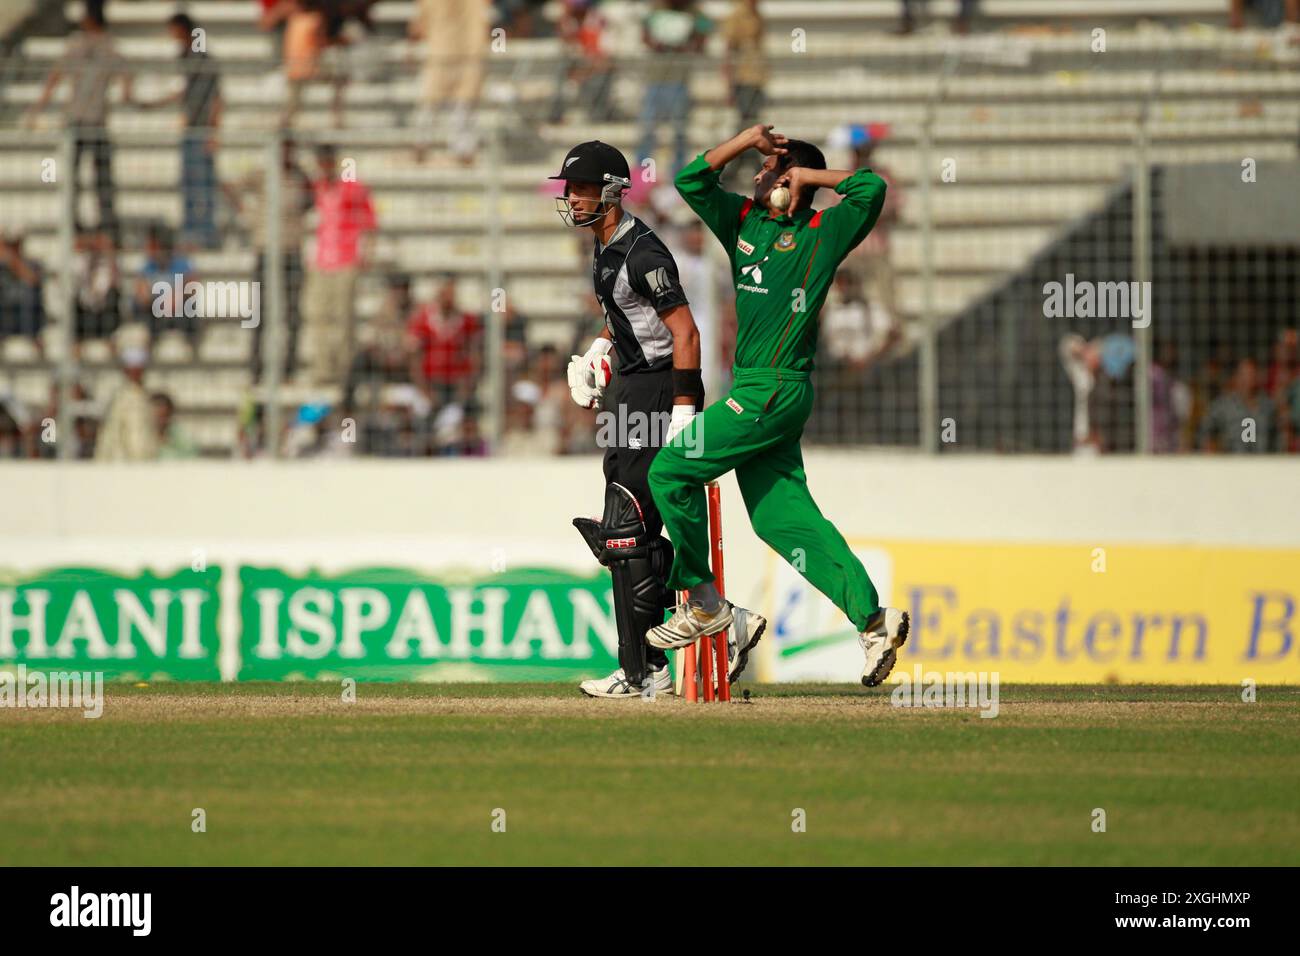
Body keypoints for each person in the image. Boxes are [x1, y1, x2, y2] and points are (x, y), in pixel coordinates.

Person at [646, 124, 909, 689]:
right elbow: (691, 179)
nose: (761, 175)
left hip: (773, 389)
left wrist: (810, 174)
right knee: (779, 519)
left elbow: (872, 189)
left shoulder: (825, 229)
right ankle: (873, 619)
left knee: (669, 470)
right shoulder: (744, 222)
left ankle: (704, 603)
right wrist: (745, 140)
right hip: (760, 391)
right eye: (765, 169)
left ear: (794, 182)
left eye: (772, 170)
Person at [549, 139, 766, 699]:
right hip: (627, 389)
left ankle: (655, 662)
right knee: (627, 533)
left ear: (613, 191)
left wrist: (684, 411)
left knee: (627, 528)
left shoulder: (643, 253)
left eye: (580, 189)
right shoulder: (603, 248)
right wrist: (596, 352)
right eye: (568, 189)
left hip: (654, 392)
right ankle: (663, 653)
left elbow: (685, 333)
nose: (571, 199)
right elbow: (623, 320)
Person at [25, 0, 131, 239]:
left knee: (85, 177)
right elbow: (126, 84)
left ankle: (85, 222)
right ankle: (99, 224)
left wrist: (38, 107)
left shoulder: (84, 45)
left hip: (81, 119)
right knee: (96, 177)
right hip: (91, 119)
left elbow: (55, 77)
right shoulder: (107, 47)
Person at [224, 137, 313, 380]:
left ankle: (288, 368)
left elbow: (313, 202)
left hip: (291, 251)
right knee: (259, 313)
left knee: (292, 313)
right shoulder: (263, 174)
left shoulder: (301, 178)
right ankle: (256, 368)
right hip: (266, 250)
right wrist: (247, 213)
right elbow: (229, 186)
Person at [140, 14, 223, 249]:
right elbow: (184, 92)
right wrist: (155, 104)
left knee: (203, 185)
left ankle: (205, 235)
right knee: (188, 184)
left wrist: (213, 132)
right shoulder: (186, 59)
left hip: (201, 131)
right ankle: (191, 235)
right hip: (190, 131)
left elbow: (216, 98)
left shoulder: (202, 60)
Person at [302, 145, 377, 385]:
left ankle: (345, 369)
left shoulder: (353, 187)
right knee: (320, 317)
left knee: (344, 318)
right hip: (322, 260)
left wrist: (367, 252)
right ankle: (323, 369)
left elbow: (370, 221)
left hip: (346, 258)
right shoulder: (317, 188)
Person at [637, 1, 709, 179]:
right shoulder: (655, 10)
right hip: (655, 78)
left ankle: (677, 175)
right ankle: (641, 175)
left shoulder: (693, 12)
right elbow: (645, 35)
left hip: (679, 80)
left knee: (678, 131)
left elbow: (704, 34)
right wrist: (657, 44)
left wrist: (686, 46)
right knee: (648, 130)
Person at [96, 349, 158, 461]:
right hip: (125, 461)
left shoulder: (145, 395)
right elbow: (113, 433)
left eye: (139, 369)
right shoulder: (120, 398)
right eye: (132, 369)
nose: (136, 373)